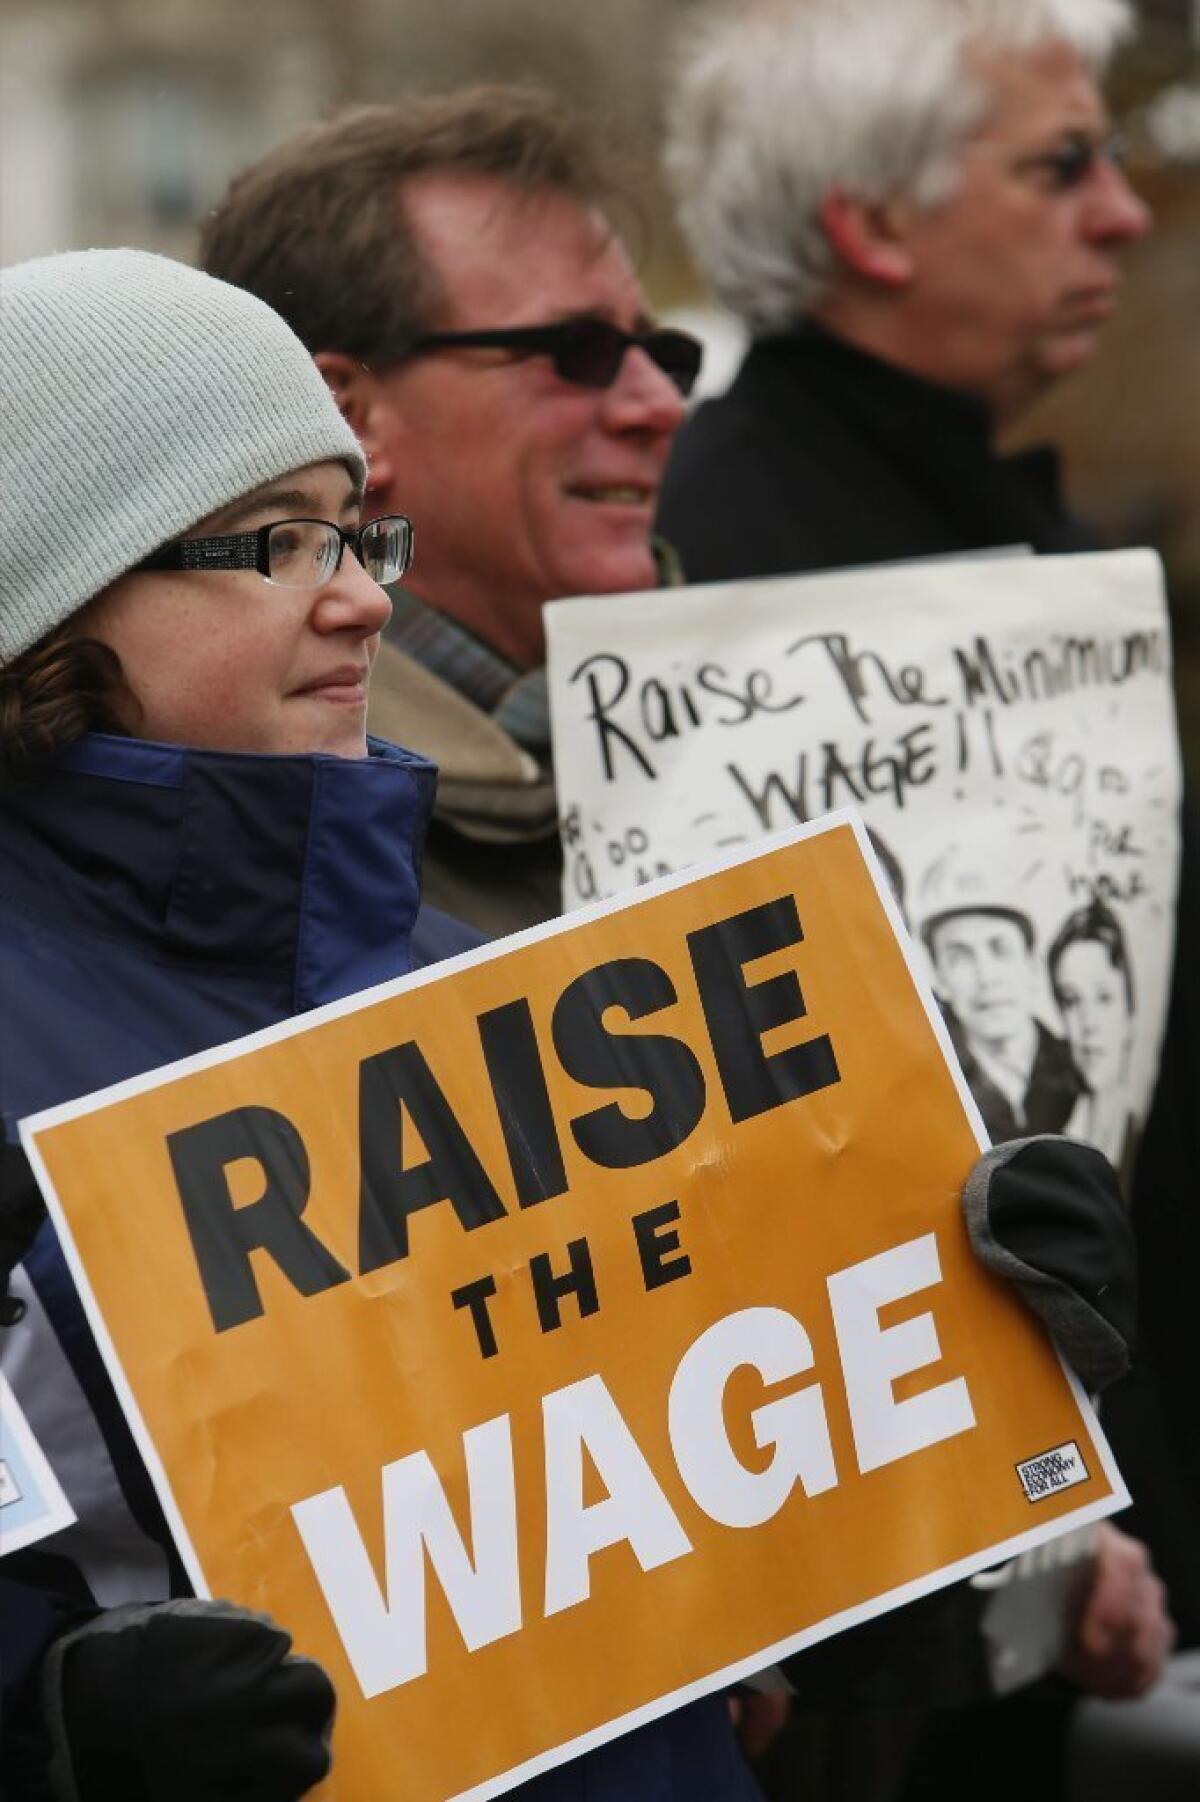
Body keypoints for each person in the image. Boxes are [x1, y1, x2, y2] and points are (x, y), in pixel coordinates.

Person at [0, 248, 759, 1802]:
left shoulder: (469, 970)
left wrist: (982, 1324)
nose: (365, 595)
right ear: (55, 604)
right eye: (277, 541)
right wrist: (45, 1719)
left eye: (357, 530)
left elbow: (710, 1504)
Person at [658, 0, 1189, 1791]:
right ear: (871, 225)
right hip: (877, 1647)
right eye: (1061, 165)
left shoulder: (1010, 536)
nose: (1122, 211)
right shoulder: (708, 587)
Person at [200, 87, 700, 935]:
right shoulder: (247, 840)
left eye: (662, 352)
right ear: (347, 413)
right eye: (579, 351)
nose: (659, 406)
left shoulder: (776, 729)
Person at [921, 903, 1083, 1142]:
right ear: (939, 979)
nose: (986, 977)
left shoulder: (1082, 1068)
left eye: (1000, 950)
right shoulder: (927, 1088)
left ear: (1033, 967)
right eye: (960, 957)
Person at [1048, 899, 1138, 1173]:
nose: (1088, 1024)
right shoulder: (1051, 1135)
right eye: (1072, 1001)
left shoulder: (1146, 1137)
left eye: (1104, 998)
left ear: (1131, 1009)